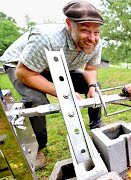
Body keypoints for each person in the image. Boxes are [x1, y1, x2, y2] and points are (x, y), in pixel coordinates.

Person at [0, 1, 106, 170]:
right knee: (36, 101)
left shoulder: (95, 42)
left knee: (94, 86)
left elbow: (90, 69)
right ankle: (38, 148)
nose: (92, 38)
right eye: (85, 30)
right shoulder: (46, 38)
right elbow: (24, 73)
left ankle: (96, 124)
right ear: (69, 24)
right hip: (22, 65)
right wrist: (63, 92)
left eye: (96, 32)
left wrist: (92, 86)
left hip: (55, 65)